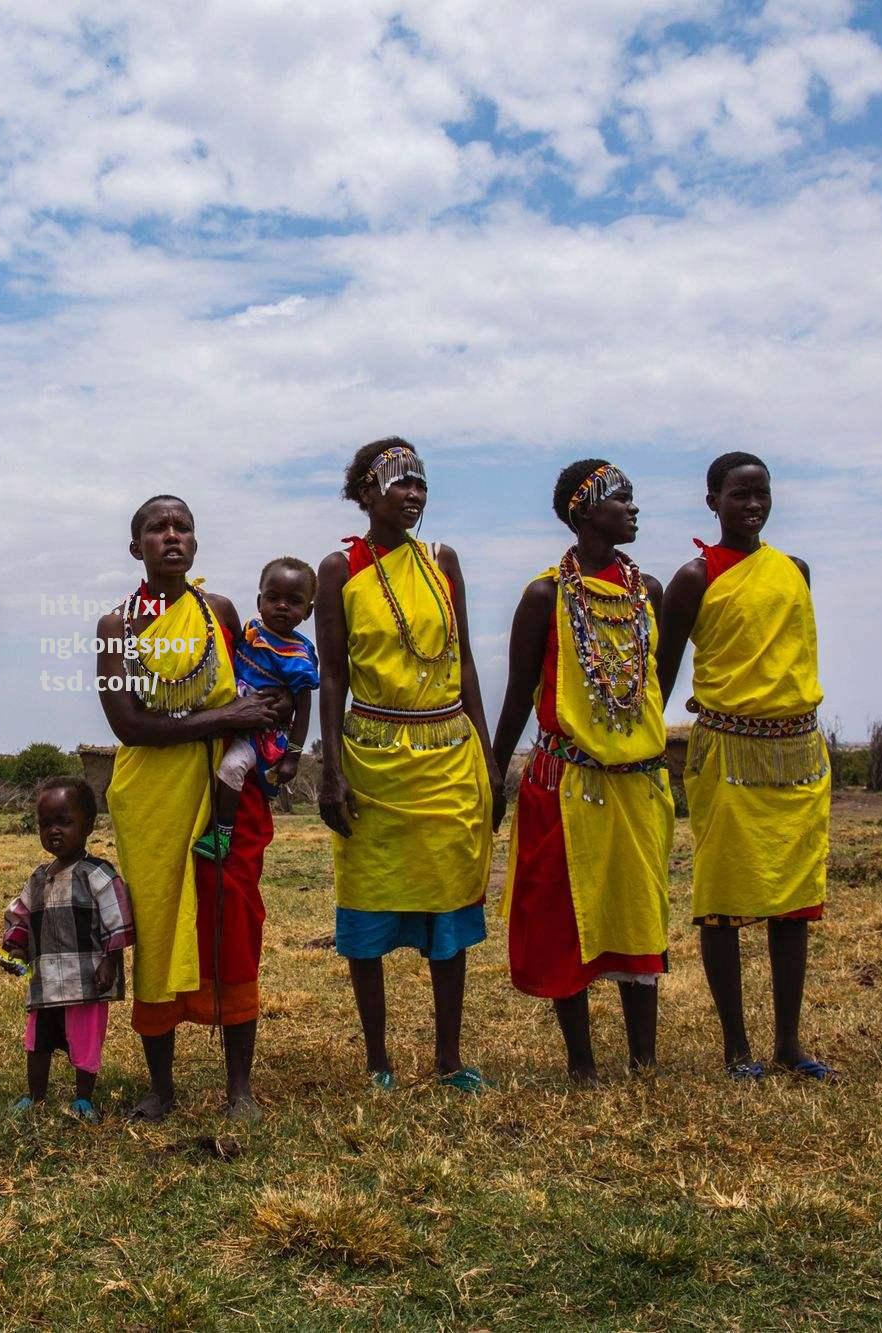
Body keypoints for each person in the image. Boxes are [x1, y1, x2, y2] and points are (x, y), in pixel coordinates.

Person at [93, 495, 289, 1121]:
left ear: (196, 544)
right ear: (136, 548)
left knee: (231, 925)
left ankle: (240, 1090)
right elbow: (128, 724)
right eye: (157, 528)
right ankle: (161, 1088)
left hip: (224, 791)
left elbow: (262, 685)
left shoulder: (221, 611)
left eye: (183, 527)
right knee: (155, 929)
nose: (172, 537)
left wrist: (267, 730)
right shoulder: (116, 627)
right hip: (152, 796)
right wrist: (225, 716)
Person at [317, 439, 498, 1092]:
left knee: (449, 911)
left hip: (449, 755)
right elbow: (332, 676)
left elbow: (467, 659)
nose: (414, 493)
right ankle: (378, 1059)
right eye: (398, 482)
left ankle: (449, 1056)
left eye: (421, 482)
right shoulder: (339, 569)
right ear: (365, 493)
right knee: (367, 910)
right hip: (373, 762)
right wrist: (330, 770)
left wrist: (489, 755)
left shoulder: (442, 560)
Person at [491, 459, 673, 1085]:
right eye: (623, 498)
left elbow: (656, 679)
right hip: (566, 783)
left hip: (638, 781)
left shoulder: (647, 590)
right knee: (566, 917)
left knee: (636, 912)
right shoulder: (545, 595)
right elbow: (518, 695)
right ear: (584, 508)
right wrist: (494, 775)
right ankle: (582, 1064)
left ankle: (644, 1060)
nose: (634, 509)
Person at [657, 451, 833, 1081]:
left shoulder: (794, 570)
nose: (753, 504)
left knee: (792, 902)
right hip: (728, 751)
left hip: (799, 753)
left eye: (762, 493)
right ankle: (737, 1049)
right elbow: (664, 668)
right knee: (725, 899)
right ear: (712, 502)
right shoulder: (694, 578)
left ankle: (789, 1044)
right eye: (739, 495)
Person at [1, 775, 135, 1123]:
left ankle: (83, 1098)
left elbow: (116, 920)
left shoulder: (98, 875)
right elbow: (20, 914)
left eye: (64, 822)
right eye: (46, 824)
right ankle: (35, 1095)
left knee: (85, 1039)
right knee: (38, 1039)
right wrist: (14, 947)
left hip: (88, 979)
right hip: (46, 980)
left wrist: (111, 960)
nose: (54, 831)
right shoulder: (38, 877)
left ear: (88, 825)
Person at [192, 557, 318, 861]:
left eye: (294, 601)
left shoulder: (298, 658)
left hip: (261, 734)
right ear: (260, 601)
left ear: (308, 611)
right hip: (227, 720)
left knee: (231, 768)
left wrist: (293, 757)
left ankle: (222, 834)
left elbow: (303, 710)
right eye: (273, 598)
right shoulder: (251, 631)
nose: (282, 607)